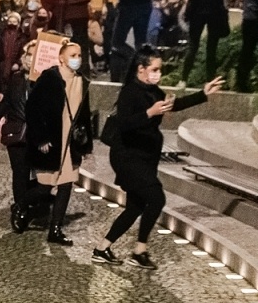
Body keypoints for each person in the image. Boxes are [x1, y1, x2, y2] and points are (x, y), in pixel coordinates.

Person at [93, 55, 224, 268]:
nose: (158, 73)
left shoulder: (153, 91)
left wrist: (203, 94)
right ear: (141, 69)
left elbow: (173, 105)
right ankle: (139, 250)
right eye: (154, 69)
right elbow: (124, 124)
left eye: (159, 70)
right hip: (128, 156)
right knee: (156, 198)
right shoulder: (130, 92)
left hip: (145, 157)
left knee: (135, 206)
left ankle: (102, 248)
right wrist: (149, 113)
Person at [25, 41, 93, 247]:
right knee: (45, 186)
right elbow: (32, 109)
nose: (77, 59)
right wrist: (41, 138)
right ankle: (20, 205)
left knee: (65, 185)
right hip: (53, 139)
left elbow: (85, 116)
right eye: (73, 55)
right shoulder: (49, 78)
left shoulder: (83, 82)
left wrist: (85, 145)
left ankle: (56, 228)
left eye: (80, 55)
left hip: (70, 142)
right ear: (61, 58)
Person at [0, 44, 36, 233]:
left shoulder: (47, 80)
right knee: (20, 172)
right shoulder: (15, 79)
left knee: (39, 175)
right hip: (17, 131)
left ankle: (29, 204)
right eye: (28, 54)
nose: (31, 58)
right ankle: (20, 210)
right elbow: (7, 100)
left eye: (35, 55)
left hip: (38, 134)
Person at [185, 0, 234, 84]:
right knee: (211, 49)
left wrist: (187, 14)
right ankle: (210, 79)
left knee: (193, 46)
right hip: (215, 15)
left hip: (198, 14)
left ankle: (183, 79)